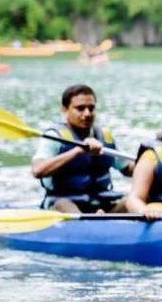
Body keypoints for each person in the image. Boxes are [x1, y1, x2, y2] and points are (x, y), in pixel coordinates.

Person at [31, 85, 133, 213]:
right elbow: (38, 170)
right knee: (63, 205)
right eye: (80, 109)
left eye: (91, 108)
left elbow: (128, 169)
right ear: (65, 110)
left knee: (134, 200)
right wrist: (78, 150)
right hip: (65, 202)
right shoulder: (54, 137)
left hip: (102, 201)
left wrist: (151, 158)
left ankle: (100, 219)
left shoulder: (103, 137)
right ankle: (91, 223)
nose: (87, 114)